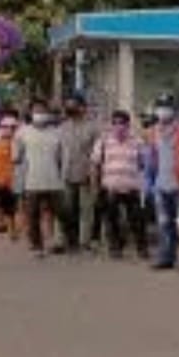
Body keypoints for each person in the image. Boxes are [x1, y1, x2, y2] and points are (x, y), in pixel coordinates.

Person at [142, 94, 179, 269]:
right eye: (160, 106)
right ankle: (166, 257)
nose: (163, 110)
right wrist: (148, 183)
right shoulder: (153, 132)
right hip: (160, 185)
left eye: (167, 106)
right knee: (163, 223)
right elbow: (151, 159)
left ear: (174, 109)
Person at [14, 99, 69, 257]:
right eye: (36, 111)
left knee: (60, 213)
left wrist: (62, 174)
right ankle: (37, 245)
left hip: (54, 180)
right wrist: (19, 183)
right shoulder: (22, 132)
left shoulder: (57, 132)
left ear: (48, 113)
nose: (40, 114)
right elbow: (17, 157)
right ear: (30, 113)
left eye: (42, 111)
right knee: (33, 215)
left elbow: (61, 157)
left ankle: (57, 241)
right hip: (31, 181)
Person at [95, 110, 150, 261]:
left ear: (128, 125)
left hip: (132, 187)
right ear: (111, 125)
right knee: (112, 220)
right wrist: (97, 185)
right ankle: (115, 247)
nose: (119, 127)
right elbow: (96, 164)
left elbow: (143, 164)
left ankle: (142, 248)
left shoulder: (137, 142)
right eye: (116, 123)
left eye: (122, 123)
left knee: (137, 220)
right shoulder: (103, 141)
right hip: (110, 188)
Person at [58, 93, 99, 255]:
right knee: (65, 209)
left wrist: (94, 173)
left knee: (86, 211)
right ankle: (62, 241)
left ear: (83, 107)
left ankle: (85, 243)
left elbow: (97, 152)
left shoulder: (93, 127)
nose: (70, 108)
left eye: (73, 105)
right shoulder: (63, 127)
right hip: (66, 174)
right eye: (68, 105)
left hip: (86, 174)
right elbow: (58, 152)